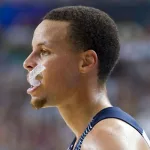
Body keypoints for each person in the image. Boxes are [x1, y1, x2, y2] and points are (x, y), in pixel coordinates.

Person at [23, 6, 150, 150]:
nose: (27, 63)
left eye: (44, 52)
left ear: (86, 62)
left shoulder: (105, 137)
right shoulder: (95, 134)